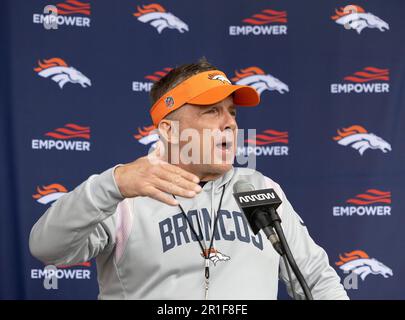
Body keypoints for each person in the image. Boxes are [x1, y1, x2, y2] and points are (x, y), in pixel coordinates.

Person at [29, 58, 349, 300]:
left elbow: (318, 280)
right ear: (170, 129)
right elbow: (46, 247)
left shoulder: (259, 189)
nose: (230, 124)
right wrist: (112, 185)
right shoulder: (122, 195)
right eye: (212, 111)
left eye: (232, 112)